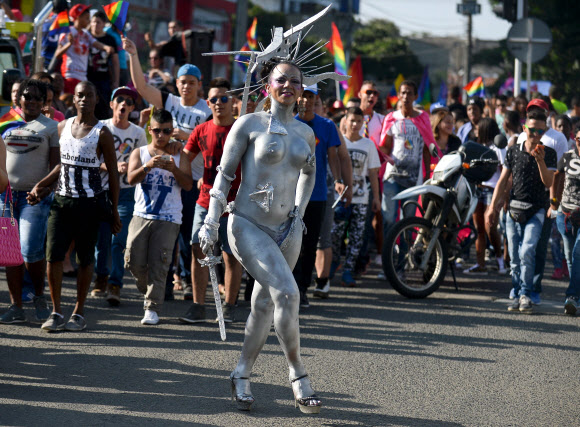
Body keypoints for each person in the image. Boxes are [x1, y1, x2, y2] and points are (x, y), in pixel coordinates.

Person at [198, 59, 321, 413]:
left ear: (302, 90)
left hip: (288, 230)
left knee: (265, 304)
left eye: (295, 82)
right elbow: (223, 176)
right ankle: (298, 375)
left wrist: (298, 211)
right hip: (247, 225)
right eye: (280, 80)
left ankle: (241, 373)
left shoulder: (305, 132)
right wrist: (210, 221)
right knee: (287, 293)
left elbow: (308, 173)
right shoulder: (248, 123)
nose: (288, 86)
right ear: (267, 86)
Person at [124, 36, 211, 298]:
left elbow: (208, 142)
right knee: (164, 231)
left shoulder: (205, 111)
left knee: (187, 235)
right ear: (177, 83)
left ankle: (184, 279)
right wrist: (132, 54)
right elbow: (140, 86)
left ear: (199, 85)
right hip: (162, 175)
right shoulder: (169, 101)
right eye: (182, 82)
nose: (186, 87)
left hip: (191, 177)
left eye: (191, 83)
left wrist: (184, 136)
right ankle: (165, 282)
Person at [39, 81, 121, 332]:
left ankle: (79, 311)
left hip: (90, 204)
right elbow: (60, 165)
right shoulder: (62, 126)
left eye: (89, 95)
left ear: (97, 99)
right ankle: (55, 311)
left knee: (85, 259)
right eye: (80, 95)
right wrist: (39, 186)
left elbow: (114, 174)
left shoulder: (102, 133)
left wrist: (114, 210)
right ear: (73, 100)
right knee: (53, 256)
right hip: (61, 202)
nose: (84, 99)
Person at [179, 77, 243, 324]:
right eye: (214, 99)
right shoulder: (201, 129)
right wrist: (188, 177)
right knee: (198, 247)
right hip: (205, 200)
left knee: (230, 255)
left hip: (233, 204)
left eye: (224, 98)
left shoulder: (241, 129)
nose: (219, 103)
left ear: (233, 102)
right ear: (208, 103)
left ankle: (228, 306)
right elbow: (186, 153)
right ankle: (198, 306)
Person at [125, 109, 193, 325]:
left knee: (160, 263)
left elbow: (188, 184)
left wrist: (174, 169)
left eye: (166, 131)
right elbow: (130, 179)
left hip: (169, 217)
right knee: (133, 261)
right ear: (150, 130)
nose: (161, 135)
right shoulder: (140, 152)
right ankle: (151, 291)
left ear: (171, 131)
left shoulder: (178, 154)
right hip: (141, 214)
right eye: (157, 131)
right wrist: (148, 166)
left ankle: (152, 307)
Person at [486, 109, 556, 314]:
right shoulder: (514, 150)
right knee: (515, 257)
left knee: (527, 251)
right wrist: (492, 207)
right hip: (513, 209)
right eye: (532, 130)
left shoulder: (548, 152)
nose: (535, 135)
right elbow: (502, 181)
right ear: (525, 128)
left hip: (536, 210)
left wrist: (541, 160)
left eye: (540, 132)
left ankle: (526, 292)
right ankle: (516, 292)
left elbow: (549, 182)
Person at [0, 79, 58, 324]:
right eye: (27, 96)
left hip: (35, 198)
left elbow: (57, 166)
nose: (32, 101)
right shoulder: (4, 122)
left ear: (45, 101)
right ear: (19, 98)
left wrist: (42, 189)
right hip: (6, 197)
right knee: (11, 253)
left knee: (28, 249)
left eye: (37, 97)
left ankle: (39, 295)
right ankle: (16, 307)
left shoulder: (51, 126)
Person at [90, 87, 147, 306]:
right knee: (101, 241)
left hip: (126, 193)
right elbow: (91, 160)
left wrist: (130, 167)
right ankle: (101, 276)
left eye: (129, 102)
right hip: (101, 191)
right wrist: (111, 167)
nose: (124, 104)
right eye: (120, 99)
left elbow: (141, 160)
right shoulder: (100, 128)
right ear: (112, 104)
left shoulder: (138, 133)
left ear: (132, 109)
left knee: (118, 239)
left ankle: (115, 283)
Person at [292, 84, 345, 308]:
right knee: (291, 243)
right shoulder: (290, 123)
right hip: (290, 194)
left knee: (310, 243)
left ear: (316, 99)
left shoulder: (327, 125)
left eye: (310, 96)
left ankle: (303, 289)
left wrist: (338, 179)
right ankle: (290, 287)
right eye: (302, 95)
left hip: (317, 194)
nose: (306, 100)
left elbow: (332, 155)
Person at [512, 99, 569, 303]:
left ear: (547, 115)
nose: (534, 134)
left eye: (539, 111)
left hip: (544, 201)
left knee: (538, 246)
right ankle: (518, 286)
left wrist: (554, 202)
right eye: (531, 111)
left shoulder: (556, 138)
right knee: (519, 248)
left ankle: (533, 287)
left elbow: (559, 174)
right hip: (520, 200)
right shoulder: (521, 136)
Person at [331, 107, 381, 287]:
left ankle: (348, 270)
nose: (355, 124)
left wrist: (376, 198)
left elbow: (373, 174)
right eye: (352, 120)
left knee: (357, 237)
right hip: (340, 199)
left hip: (361, 198)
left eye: (359, 121)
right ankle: (334, 261)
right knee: (334, 234)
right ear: (345, 120)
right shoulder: (338, 142)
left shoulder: (368, 144)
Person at [379, 80, 433, 238]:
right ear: (398, 96)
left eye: (410, 93)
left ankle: (404, 260)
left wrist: (427, 177)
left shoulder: (423, 118)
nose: (406, 96)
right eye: (403, 93)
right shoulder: (392, 118)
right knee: (388, 218)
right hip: (392, 178)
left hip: (414, 180)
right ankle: (387, 258)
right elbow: (385, 146)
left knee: (409, 223)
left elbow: (427, 148)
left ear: (416, 96)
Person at [463, 118, 506, 275]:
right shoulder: (478, 147)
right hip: (478, 189)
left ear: (485, 129)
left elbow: (505, 172)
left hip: (492, 191)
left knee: (491, 227)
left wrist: (503, 196)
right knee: (479, 228)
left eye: (478, 128)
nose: (475, 131)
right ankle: (480, 264)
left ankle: (500, 261)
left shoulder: (498, 148)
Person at [54, 4, 115, 94]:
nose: (89, 21)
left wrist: (106, 47)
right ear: (78, 17)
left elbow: (95, 43)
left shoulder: (86, 33)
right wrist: (69, 44)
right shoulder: (67, 32)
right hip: (70, 75)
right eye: (86, 18)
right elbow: (57, 54)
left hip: (83, 77)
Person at [555, 126, 580, 315]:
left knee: (578, 255)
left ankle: (572, 296)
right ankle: (577, 296)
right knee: (571, 258)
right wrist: (552, 204)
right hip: (565, 215)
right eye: (578, 139)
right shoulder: (567, 157)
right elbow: (557, 179)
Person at [87, 11, 119, 120]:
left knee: (103, 107)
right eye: (93, 22)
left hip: (103, 79)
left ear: (104, 24)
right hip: (86, 77)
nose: (95, 25)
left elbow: (115, 62)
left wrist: (116, 81)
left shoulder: (110, 39)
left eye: (98, 22)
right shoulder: (85, 36)